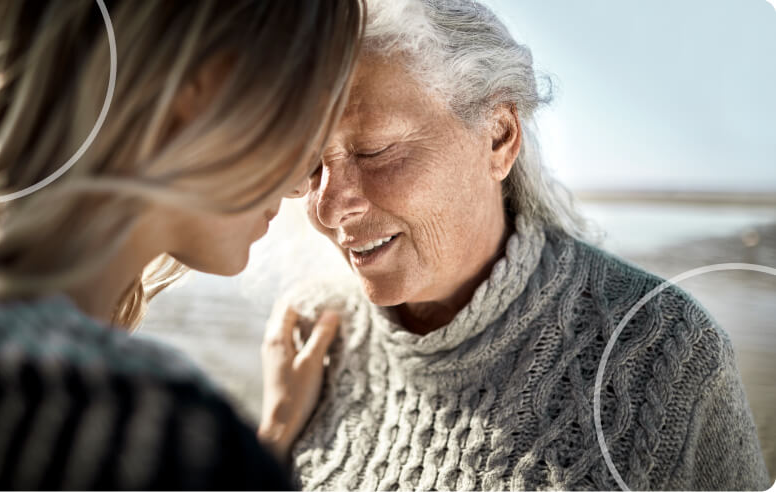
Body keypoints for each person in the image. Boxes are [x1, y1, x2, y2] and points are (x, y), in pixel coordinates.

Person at [266, 0, 772, 489]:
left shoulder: (665, 351)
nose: (329, 208)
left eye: (374, 151)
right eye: (311, 165)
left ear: (499, 137)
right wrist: (268, 444)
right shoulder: (310, 333)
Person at [0, 0, 361, 489]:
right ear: (209, 83)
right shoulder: (156, 435)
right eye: (308, 113)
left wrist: (271, 439)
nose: (305, 183)